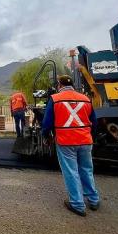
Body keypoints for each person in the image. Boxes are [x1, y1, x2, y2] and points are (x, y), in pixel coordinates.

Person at [42, 75, 100, 217]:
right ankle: (93, 199)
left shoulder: (55, 99)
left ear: (59, 85)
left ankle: (77, 204)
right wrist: (90, 135)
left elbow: (47, 123)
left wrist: (46, 136)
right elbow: (94, 122)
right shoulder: (85, 98)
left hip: (66, 141)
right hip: (85, 140)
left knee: (71, 171)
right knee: (86, 169)